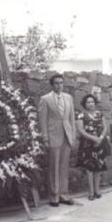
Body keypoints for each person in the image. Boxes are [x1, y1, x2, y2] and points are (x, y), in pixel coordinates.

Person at [38, 74, 76, 207]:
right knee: (54, 166)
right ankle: (54, 196)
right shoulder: (45, 99)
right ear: (52, 85)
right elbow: (42, 120)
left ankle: (64, 194)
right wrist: (45, 138)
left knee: (64, 166)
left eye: (61, 83)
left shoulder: (68, 98)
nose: (59, 85)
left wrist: (73, 135)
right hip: (53, 135)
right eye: (56, 83)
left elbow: (71, 118)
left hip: (67, 135)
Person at [76, 94, 109, 200]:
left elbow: (105, 127)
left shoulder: (100, 114)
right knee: (90, 168)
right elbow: (81, 130)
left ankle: (97, 190)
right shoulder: (81, 115)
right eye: (88, 102)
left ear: (95, 103)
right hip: (88, 144)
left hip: (99, 144)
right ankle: (90, 191)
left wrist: (101, 138)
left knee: (99, 166)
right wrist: (93, 139)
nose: (90, 104)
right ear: (84, 104)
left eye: (92, 102)